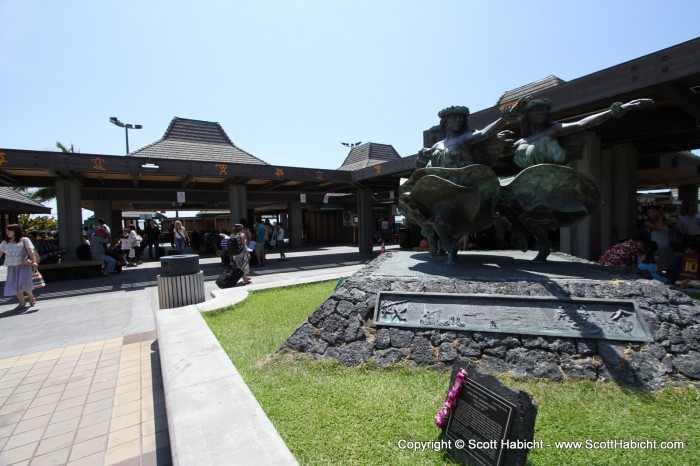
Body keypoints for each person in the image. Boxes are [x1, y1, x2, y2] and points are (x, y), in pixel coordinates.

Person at [498, 96, 654, 262]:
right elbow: (500, 152)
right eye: (537, 110)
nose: (542, 111)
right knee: (497, 195)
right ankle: (519, 228)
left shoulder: (555, 129)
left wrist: (614, 111)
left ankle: (543, 245)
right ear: (527, 115)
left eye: (544, 109)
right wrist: (500, 142)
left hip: (550, 180)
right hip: (528, 181)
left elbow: (583, 123)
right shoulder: (522, 141)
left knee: (537, 216)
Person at [399, 96, 528, 265]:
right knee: (415, 205)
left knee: (501, 200)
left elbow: (485, 133)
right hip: (441, 188)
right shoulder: (437, 146)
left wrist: (505, 117)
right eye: (455, 117)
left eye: (462, 117)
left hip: (464, 186)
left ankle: (518, 228)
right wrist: (421, 159)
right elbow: (423, 167)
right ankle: (440, 243)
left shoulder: (466, 138)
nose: (459, 120)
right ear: (445, 122)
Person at [0, 224, 39, 310]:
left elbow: (30, 251)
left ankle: (31, 296)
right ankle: (22, 302)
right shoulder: (5, 242)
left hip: (24, 265)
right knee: (15, 285)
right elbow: (0, 252)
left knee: (24, 283)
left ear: (15, 231)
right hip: (12, 266)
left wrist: (34, 261)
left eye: (9, 231)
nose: (7, 233)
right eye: (6, 231)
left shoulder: (25, 240)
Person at [644, 206, 673, 273]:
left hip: (667, 246)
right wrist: (660, 216)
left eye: (654, 212)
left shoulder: (665, 221)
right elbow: (660, 228)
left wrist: (662, 217)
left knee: (666, 266)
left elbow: (676, 228)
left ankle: (665, 277)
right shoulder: (647, 222)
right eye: (650, 213)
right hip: (656, 247)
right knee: (658, 266)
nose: (652, 214)